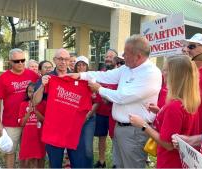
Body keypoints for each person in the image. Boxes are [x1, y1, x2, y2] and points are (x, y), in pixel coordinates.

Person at [68, 35, 162, 168]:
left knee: (131, 166)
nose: (122, 55)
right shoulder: (127, 68)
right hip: (121, 128)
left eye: (126, 53)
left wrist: (99, 89)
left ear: (138, 56)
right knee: (119, 165)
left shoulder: (151, 73)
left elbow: (123, 97)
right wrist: (81, 75)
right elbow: (106, 76)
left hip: (134, 132)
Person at [130, 55, 201, 168]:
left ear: (175, 75)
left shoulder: (174, 106)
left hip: (170, 162)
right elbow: (180, 125)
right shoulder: (188, 101)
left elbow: (168, 144)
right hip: (182, 161)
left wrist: (143, 125)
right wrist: (160, 111)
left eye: (166, 70)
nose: (163, 73)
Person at [34, 49, 93, 168]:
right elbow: (35, 101)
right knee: (55, 164)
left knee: (77, 163)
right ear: (55, 60)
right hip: (54, 128)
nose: (63, 62)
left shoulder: (77, 77)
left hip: (73, 128)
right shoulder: (48, 78)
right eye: (60, 59)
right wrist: (42, 86)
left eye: (66, 59)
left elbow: (87, 104)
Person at [0, 48, 40, 168]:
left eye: (23, 60)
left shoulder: (32, 75)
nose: (20, 63)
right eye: (16, 61)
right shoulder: (3, 78)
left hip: (30, 121)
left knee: (29, 152)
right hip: (11, 122)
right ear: (10, 62)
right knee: (10, 151)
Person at [94, 48, 118, 168]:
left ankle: (116, 162)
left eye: (111, 57)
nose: (108, 59)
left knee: (116, 139)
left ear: (116, 59)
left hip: (115, 113)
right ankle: (102, 161)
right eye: (106, 57)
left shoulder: (120, 74)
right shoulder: (101, 73)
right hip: (101, 112)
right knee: (101, 138)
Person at [74, 56, 99, 168]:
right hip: (75, 119)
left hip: (89, 119)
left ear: (87, 66)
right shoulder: (73, 79)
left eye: (83, 65)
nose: (81, 67)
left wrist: (87, 116)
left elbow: (97, 102)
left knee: (88, 149)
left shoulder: (92, 80)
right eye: (78, 65)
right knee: (76, 147)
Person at [18, 82, 45, 168]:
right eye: (30, 91)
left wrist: (36, 111)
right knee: (26, 159)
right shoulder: (23, 104)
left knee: (40, 157)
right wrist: (29, 112)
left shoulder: (43, 104)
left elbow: (45, 121)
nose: (32, 93)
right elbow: (21, 123)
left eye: (34, 91)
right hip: (27, 137)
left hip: (39, 136)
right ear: (27, 93)